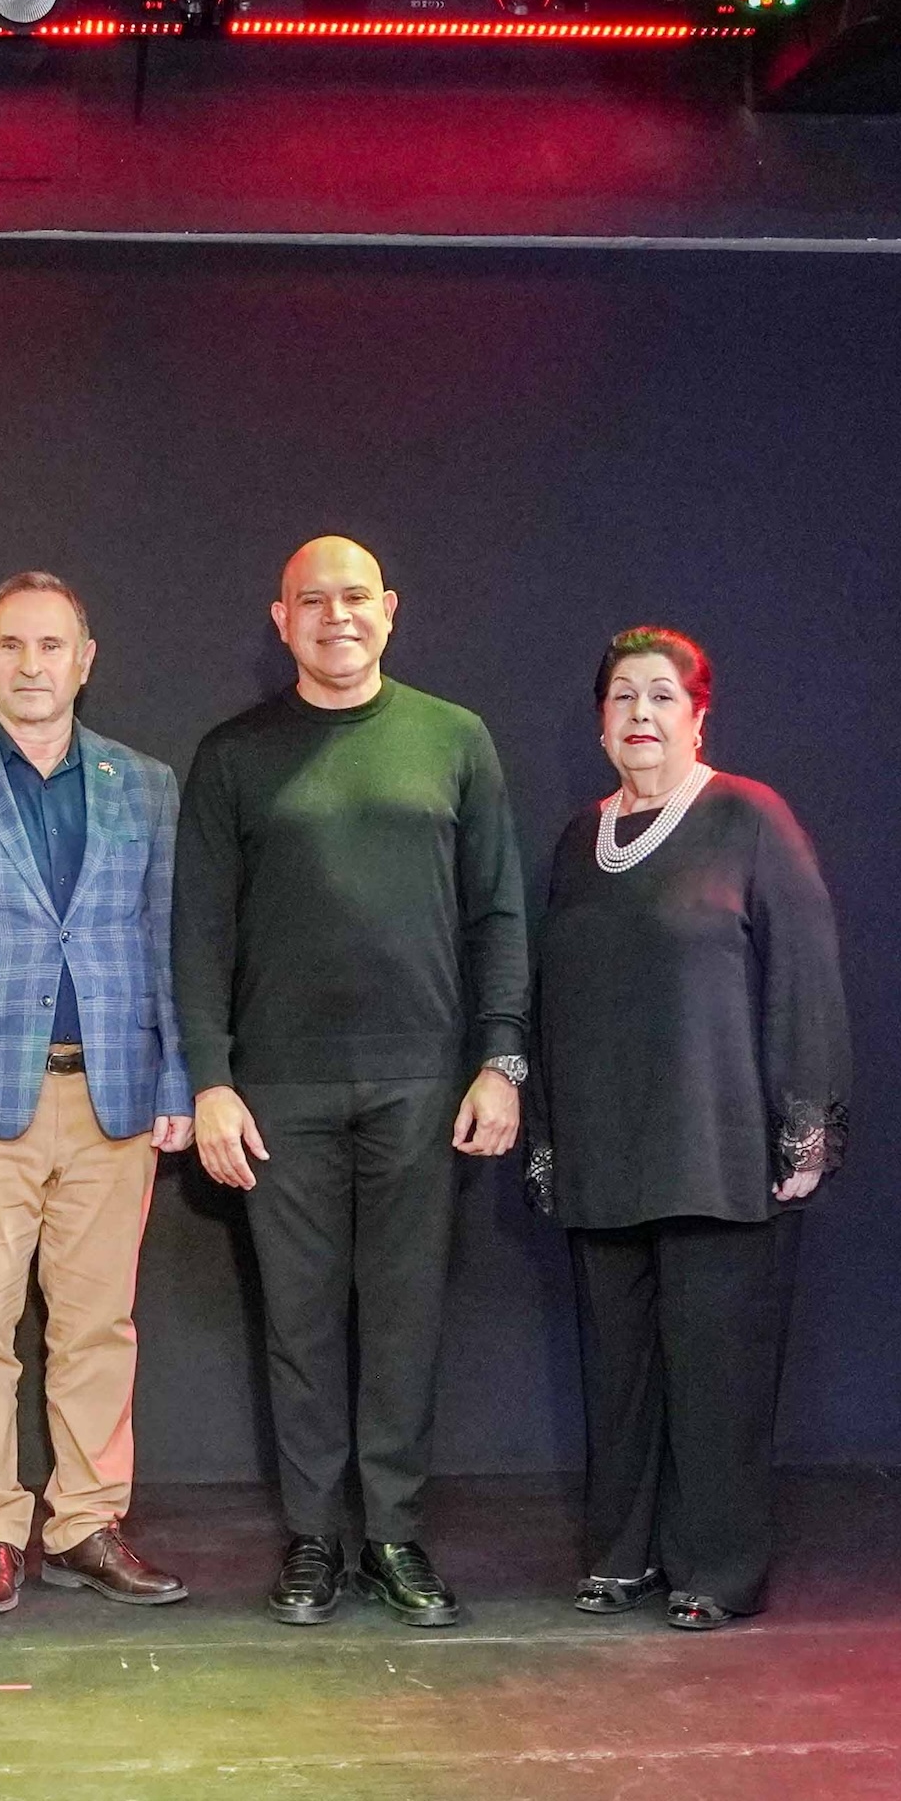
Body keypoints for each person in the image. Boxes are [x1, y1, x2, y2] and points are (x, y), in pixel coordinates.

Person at [174, 535, 528, 1630]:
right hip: (278, 1091)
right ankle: (313, 1537)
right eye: (312, 600)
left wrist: (500, 1058)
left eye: (355, 596)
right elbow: (198, 932)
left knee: (404, 1317)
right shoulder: (233, 754)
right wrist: (209, 1080)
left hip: (421, 1082)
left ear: (390, 609)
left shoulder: (452, 738)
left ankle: (392, 1534)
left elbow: (497, 910)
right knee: (299, 1322)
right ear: (280, 620)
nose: (336, 616)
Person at [525, 626, 849, 1632]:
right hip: (603, 1150)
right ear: (598, 722)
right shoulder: (577, 841)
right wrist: (548, 1133)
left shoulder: (748, 817)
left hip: (717, 1151)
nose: (640, 714)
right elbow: (550, 999)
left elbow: (803, 977)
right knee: (617, 1371)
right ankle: (620, 1554)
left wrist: (804, 1127)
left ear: (697, 715)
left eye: (661, 696)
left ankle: (714, 1565)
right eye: (621, 696)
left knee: (716, 1373)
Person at [0, 573, 196, 1616]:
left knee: (98, 1325)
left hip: (113, 1095)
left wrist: (176, 1075)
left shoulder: (144, 785)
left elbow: (165, 941)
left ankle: (84, 1522)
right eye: (10, 645)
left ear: (84, 659)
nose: (31, 665)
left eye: (50, 645)